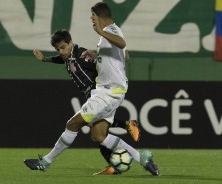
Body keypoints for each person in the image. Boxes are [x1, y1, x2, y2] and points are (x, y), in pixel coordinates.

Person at [24, 2, 159, 176]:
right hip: (109, 92)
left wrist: (102, 37)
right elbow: (124, 53)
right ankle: (143, 158)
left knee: (72, 124)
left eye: (93, 17)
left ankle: (45, 162)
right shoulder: (107, 36)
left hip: (106, 92)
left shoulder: (109, 32)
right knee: (98, 136)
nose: (91, 20)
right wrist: (98, 54)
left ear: (100, 16)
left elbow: (121, 43)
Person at [32, 29, 140, 175]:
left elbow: (103, 64)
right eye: (58, 49)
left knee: (91, 129)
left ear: (71, 42)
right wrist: (45, 59)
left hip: (98, 93)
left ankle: (125, 135)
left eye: (63, 47)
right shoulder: (68, 56)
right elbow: (61, 59)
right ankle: (121, 152)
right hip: (91, 95)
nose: (61, 52)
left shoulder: (83, 55)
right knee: (98, 134)